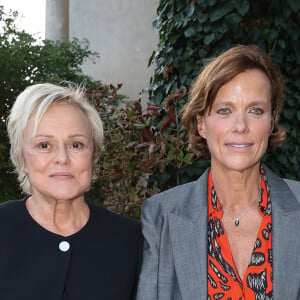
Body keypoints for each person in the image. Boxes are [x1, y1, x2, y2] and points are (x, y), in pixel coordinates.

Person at [136, 45, 300, 299]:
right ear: (201, 123)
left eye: (255, 110)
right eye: (225, 110)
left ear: (271, 122)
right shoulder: (160, 217)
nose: (240, 126)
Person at [1, 83, 143, 300]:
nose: (62, 158)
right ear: (21, 158)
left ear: (93, 155)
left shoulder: (132, 241)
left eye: (76, 145)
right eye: (44, 145)